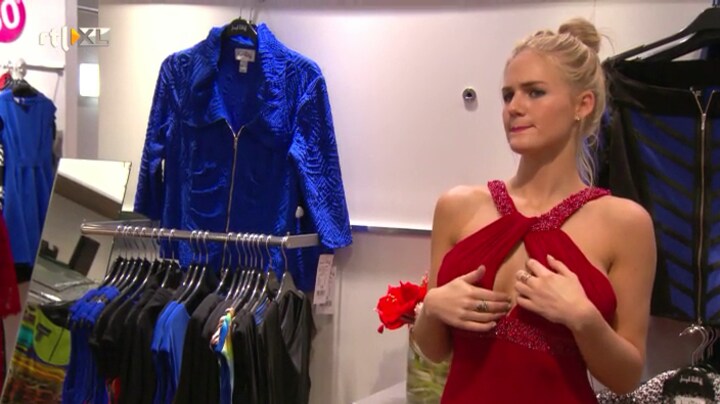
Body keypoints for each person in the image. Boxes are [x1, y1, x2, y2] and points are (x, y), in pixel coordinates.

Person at [410, 17, 657, 403]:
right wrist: (432, 308)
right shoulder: (457, 207)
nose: (514, 107)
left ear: (582, 104)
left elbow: (626, 376)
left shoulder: (624, 224)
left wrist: (583, 318)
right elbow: (435, 350)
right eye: (508, 95)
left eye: (535, 92)